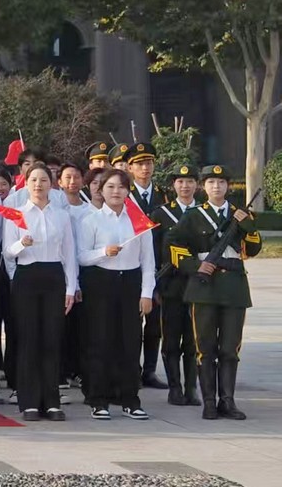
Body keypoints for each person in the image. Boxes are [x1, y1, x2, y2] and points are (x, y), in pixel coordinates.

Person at [170, 165, 262, 420]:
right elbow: (173, 245)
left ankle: (227, 401)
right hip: (205, 288)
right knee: (205, 348)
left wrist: (249, 227)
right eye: (211, 182)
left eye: (221, 182)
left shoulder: (240, 214)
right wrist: (195, 266)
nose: (217, 187)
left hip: (233, 287)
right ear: (204, 187)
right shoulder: (193, 215)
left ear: (228, 186)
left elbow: (253, 249)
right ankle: (209, 401)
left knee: (230, 349)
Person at [75, 169, 155, 421]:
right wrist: (103, 252)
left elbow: (148, 261)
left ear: (128, 191)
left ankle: (130, 399)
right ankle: (98, 399)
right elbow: (81, 256)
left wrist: (147, 293)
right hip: (101, 283)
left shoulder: (139, 220)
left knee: (130, 343)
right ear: (101, 191)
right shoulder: (91, 220)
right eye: (110, 187)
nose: (116, 192)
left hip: (130, 283)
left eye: (121, 187)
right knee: (100, 341)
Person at [3, 165, 78, 422]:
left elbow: (69, 253)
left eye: (43, 180)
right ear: (25, 183)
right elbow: (7, 252)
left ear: (51, 184)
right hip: (27, 276)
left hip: (54, 276)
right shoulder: (16, 215)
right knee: (29, 340)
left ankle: (52, 401)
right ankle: (29, 402)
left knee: (52, 339)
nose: (38, 184)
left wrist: (71, 288)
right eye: (33, 180)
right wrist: (20, 244)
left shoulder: (61, 215)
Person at [152, 164, 202, 406]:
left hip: (198, 284)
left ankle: (191, 388)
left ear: (197, 185)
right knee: (171, 339)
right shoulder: (161, 214)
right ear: (173, 185)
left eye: (190, 181)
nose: (185, 186)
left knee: (193, 340)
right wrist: (154, 286)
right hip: (171, 285)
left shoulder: (204, 213)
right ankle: (175, 388)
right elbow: (153, 251)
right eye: (180, 182)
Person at [120, 142, 168, 390]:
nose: (145, 168)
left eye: (148, 163)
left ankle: (149, 370)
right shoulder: (123, 195)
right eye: (139, 164)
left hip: (159, 268)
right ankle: (131, 370)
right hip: (130, 267)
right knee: (131, 324)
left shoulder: (164, 195)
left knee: (154, 324)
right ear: (129, 167)